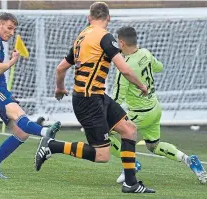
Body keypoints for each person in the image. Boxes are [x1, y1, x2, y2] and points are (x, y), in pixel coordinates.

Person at [34, 2, 155, 194]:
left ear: (89, 18)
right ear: (109, 18)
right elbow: (123, 69)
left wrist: (59, 88)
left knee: (129, 130)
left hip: (96, 96)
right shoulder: (105, 38)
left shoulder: (81, 38)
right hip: (88, 101)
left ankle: (131, 183)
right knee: (101, 155)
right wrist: (142, 86)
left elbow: (60, 68)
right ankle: (52, 146)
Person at [0, 12, 61, 178]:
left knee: (21, 132)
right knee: (18, 114)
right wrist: (12, 61)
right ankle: (46, 133)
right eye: (9, 28)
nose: (11, 32)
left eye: (13, 30)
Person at [109, 26, 207, 184]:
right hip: (155, 109)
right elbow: (159, 67)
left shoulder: (125, 68)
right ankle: (189, 160)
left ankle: (131, 164)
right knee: (153, 146)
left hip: (140, 113)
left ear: (121, 42)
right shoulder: (145, 53)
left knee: (102, 133)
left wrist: (102, 114)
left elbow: (117, 99)